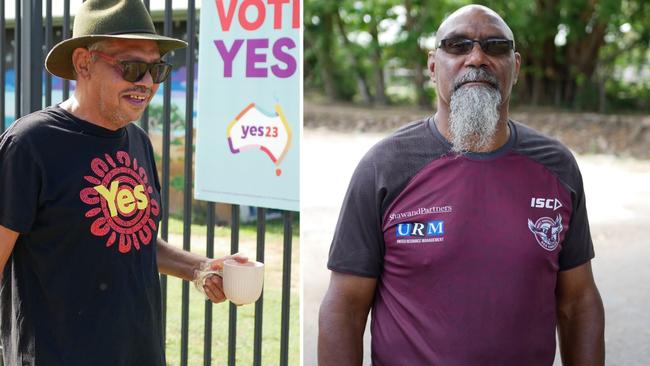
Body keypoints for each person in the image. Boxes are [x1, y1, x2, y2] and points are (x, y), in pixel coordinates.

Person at [318, 4, 605, 366]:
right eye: (457, 46)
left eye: (495, 46)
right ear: (432, 65)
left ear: (515, 67)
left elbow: (578, 303)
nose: (477, 58)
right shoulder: (384, 168)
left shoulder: (557, 167)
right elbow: (345, 307)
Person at [0, 0, 246, 364]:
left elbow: (132, 238)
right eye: (131, 67)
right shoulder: (30, 144)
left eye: (156, 69)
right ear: (84, 63)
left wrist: (201, 267)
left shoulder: (138, 141)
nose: (146, 82)